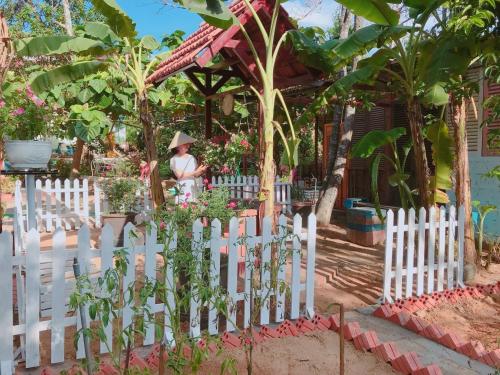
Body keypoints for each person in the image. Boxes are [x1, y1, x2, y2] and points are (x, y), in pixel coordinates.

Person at [168, 131, 207, 203]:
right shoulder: (174, 159)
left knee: (193, 209)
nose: (188, 145)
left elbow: (195, 175)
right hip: (182, 186)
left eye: (188, 144)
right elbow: (179, 175)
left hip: (192, 186)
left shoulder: (191, 157)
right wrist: (196, 172)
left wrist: (202, 170)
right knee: (182, 210)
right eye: (185, 144)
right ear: (178, 146)